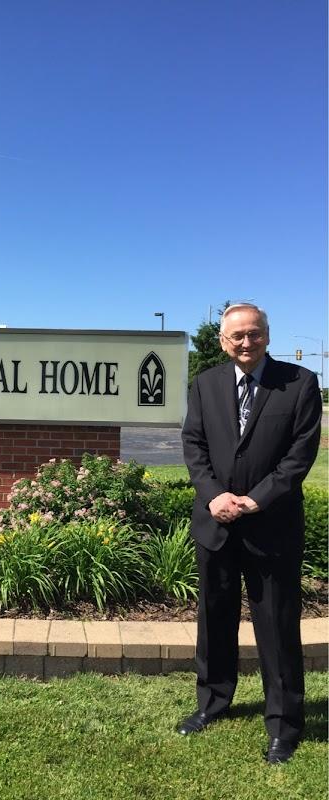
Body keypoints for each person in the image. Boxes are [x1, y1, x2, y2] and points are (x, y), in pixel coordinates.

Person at [179, 302, 321, 764]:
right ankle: (212, 702)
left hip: (271, 525)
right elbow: (194, 445)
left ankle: (284, 725)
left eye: (254, 333)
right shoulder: (204, 384)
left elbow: (299, 455)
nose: (246, 342)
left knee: (277, 626)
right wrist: (213, 496)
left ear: (267, 335)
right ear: (223, 341)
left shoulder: (300, 383)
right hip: (215, 523)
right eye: (237, 335)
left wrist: (255, 499)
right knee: (214, 619)